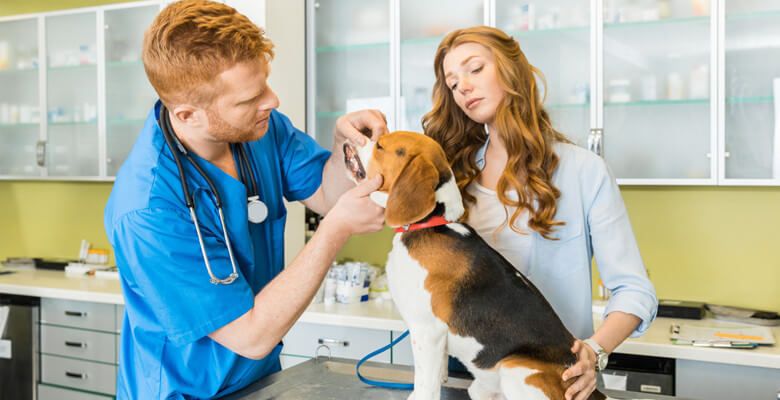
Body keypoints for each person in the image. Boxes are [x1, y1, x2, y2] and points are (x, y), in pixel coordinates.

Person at [103, 1, 386, 398]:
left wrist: (344, 149)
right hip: (183, 392)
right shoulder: (148, 210)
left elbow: (326, 194)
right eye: (249, 97)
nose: (272, 100)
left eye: (265, 83)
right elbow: (250, 335)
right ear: (188, 115)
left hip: (259, 380)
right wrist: (335, 229)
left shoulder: (259, 129)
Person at [423, 26, 658, 400]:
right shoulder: (455, 180)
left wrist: (594, 352)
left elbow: (634, 291)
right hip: (467, 379)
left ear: (511, 71)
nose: (462, 87)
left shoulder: (584, 171)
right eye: (452, 83)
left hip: (551, 379)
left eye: (475, 69)